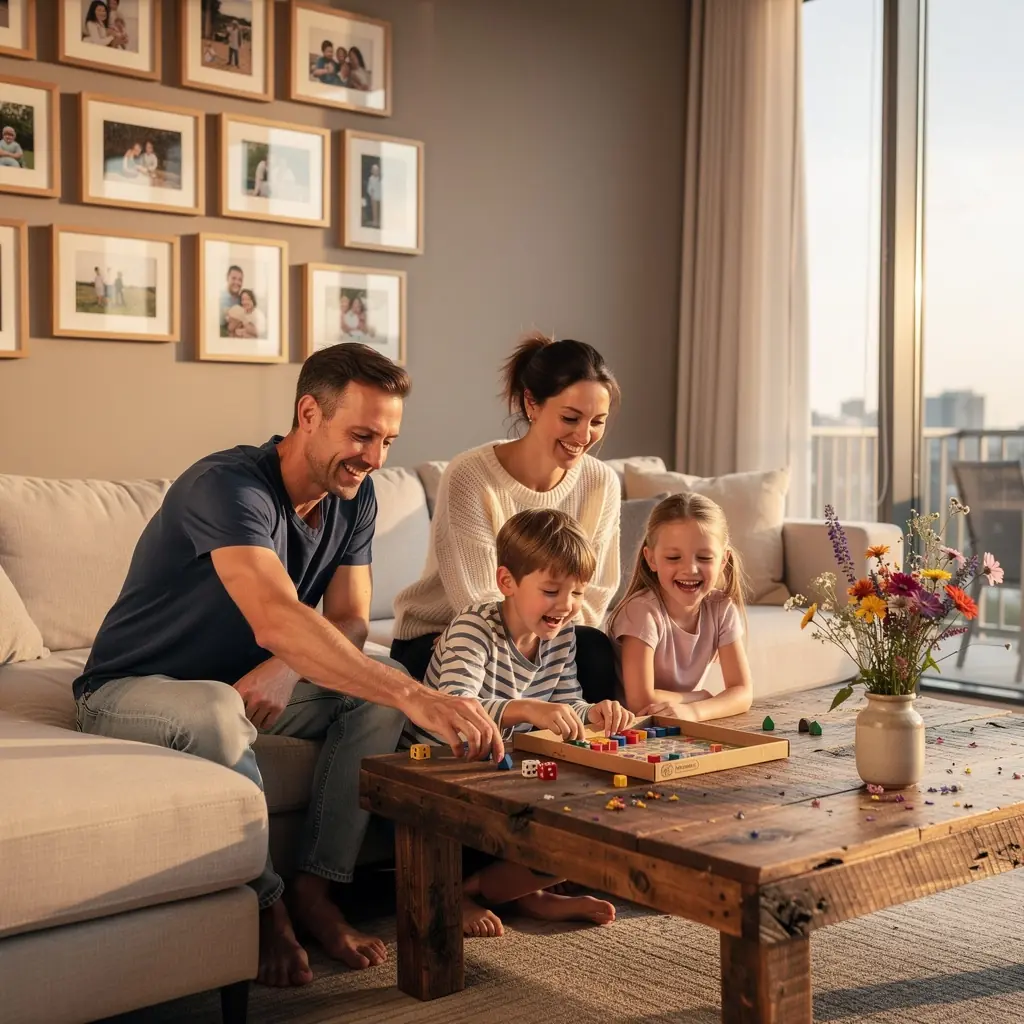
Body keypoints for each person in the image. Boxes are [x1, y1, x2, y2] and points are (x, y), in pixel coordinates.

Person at [71, 344, 504, 988]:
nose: (375, 458)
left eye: (388, 441)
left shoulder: (355, 497)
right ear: (308, 414)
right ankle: (268, 907)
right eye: (361, 436)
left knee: (377, 698)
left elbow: (351, 619)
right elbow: (275, 614)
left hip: (246, 682)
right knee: (227, 708)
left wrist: (287, 668)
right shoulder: (227, 487)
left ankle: (314, 891)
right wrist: (418, 697)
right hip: (131, 688)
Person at [401, 509, 631, 936]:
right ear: (507, 582)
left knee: (591, 832)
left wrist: (594, 712)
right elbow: (457, 710)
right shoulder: (473, 628)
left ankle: (526, 894)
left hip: (502, 771)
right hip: (441, 772)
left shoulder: (561, 635)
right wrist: (527, 709)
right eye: (551, 591)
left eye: (577, 593)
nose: (566, 605)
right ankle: (454, 893)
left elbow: (565, 704)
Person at [391, 334, 623, 703]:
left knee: (593, 648)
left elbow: (595, 590)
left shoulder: (602, 482)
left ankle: (589, 740)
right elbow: (476, 596)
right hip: (451, 634)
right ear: (532, 403)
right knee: (486, 658)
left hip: (544, 636)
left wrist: (553, 640)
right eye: (570, 418)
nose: (584, 435)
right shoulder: (470, 475)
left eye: (598, 421)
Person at [608, 493, 753, 720]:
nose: (690, 569)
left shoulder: (722, 608)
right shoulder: (642, 612)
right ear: (651, 559)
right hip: (633, 729)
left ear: (723, 560)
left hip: (679, 725)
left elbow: (742, 692)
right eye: (674, 557)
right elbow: (641, 702)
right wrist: (700, 697)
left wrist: (694, 711)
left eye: (704, 558)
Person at [220, 264, 244, 334]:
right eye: (233, 278)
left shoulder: (243, 300)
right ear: (227, 278)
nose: (237, 282)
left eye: (240, 280)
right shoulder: (220, 299)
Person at [365, 163, 381, 227]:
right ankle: (375, 221)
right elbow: (369, 188)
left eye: (377, 170)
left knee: (380, 209)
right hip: (374, 197)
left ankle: (380, 221)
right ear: (372, 171)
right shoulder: (371, 179)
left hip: (380, 196)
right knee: (374, 210)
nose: (376, 171)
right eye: (374, 170)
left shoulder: (380, 178)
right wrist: (371, 194)